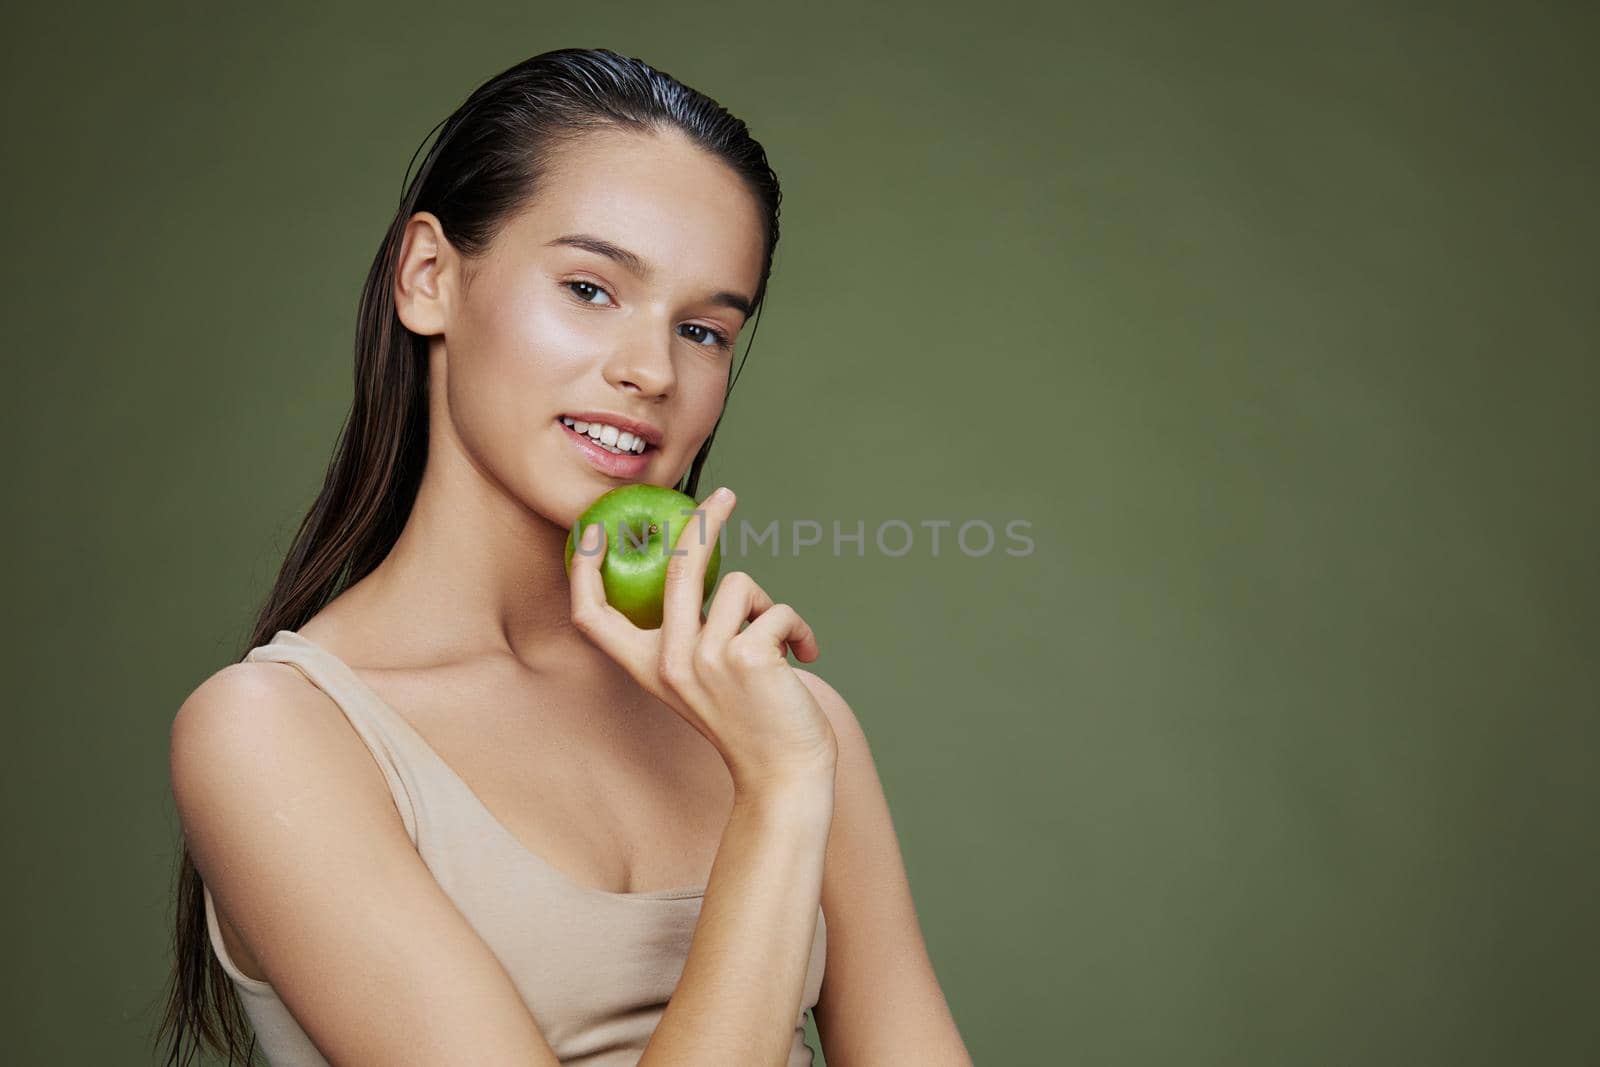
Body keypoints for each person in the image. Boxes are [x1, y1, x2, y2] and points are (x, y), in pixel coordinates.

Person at [157, 47, 972, 1066]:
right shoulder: (275, 733)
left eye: (704, 330)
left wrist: (791, 762)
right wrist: (776, 797)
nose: (649, 371)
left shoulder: (784, 720)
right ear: (428, 277)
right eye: (589, 288)